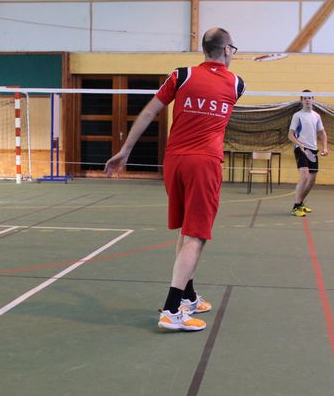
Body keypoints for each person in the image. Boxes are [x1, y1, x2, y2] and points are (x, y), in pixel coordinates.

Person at [104, 28, 244, 332]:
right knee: (196, 236)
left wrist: (125, 150)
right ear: (226, 50)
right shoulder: (236, 84)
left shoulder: (181, 75)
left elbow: (149, 112)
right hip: (203, 164)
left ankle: (188, 297)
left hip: (174, 162)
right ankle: (171, 310)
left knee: (186, 228)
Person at [287, 89, 328, 217]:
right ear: (301, 100)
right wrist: (299, 144)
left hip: (313, 149)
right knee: (304, 177)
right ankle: (295, 206)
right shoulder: (297, 116)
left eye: (309, 97)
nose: (307, 100)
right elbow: (290, 135)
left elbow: (322, 133)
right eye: (305, 98)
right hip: (301, 148)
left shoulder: (316, 116)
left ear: (313, 100)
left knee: (312, 180)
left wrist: (325, 148)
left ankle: (301, 203)